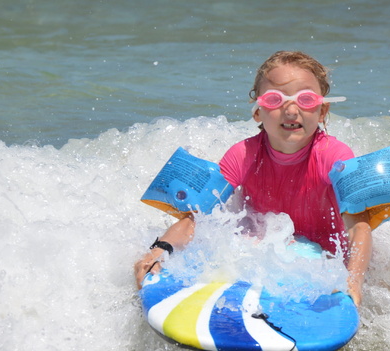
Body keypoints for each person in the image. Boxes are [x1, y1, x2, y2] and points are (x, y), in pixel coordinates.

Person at [134, 51, 372, 306]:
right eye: (274, 99)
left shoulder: (334, 156)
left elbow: (359, 226)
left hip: (328, 260)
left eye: (305, 99)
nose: (291, 110)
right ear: (258, 112)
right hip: (268, 254)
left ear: (322, 110)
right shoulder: (242, 156)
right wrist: (159, 251)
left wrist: (352, 281)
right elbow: (197, 219)